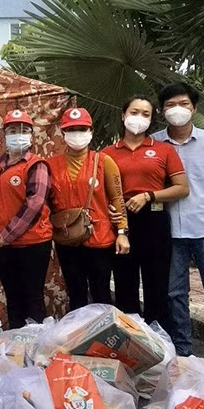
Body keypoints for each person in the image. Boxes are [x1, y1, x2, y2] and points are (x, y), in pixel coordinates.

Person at [103, 95, 189, 330]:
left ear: (151, 120)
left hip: (155, 220)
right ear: (123, 115)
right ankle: (131, 345)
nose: (138, 118)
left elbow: (182, 188)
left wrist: (150, 195)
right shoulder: (108, 153)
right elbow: (102, 191)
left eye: (145, 114)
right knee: (124, 284)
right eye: (134, 112)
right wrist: (110, 210)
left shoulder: (163, 150)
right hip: (122, 223)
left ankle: (159, 344)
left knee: (157, 286)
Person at [47, 107, 130, 311]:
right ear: (63, 133)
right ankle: (79, 339)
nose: (77, 134)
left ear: (91, 131)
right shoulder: (51, 165)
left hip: (99, 237)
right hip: (67, 239)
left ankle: (103, 339)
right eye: (72, 129)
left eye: (82, 129)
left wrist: (122, 231)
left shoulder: (103, 161)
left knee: (101, 293)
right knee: (76, 293)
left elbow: (117, 197)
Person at [0, 110, 52, 329]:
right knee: (12, 296)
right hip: (0, 243)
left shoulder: (36, 165)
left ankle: (38, 348)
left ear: (32, 135)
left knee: (32, 297)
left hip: (31, 243)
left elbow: (35, 203)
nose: (18, 135)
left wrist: (7, 235)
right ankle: (16, 345)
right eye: (12, 130)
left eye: (23, 130)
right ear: (3, 134)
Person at [151, 83, 202, 356]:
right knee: (175, 294)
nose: (177, 110)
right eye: (170, 105)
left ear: (194, 108)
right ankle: (184, 351)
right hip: (169, 231)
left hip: (202, 227)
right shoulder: (154, 144)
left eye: (183, 104)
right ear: (161, 111)